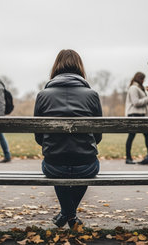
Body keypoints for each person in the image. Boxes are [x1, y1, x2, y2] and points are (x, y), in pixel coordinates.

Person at [34, 49, 102, 228]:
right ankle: (70, 216)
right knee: (88, 166)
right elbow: (98, 137)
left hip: (53, 165)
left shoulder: (42, 95)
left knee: (57, 166)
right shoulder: (92, 95)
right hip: (86, 166)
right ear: (80, 67)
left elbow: (38, 137)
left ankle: (67, 214)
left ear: (56, 67)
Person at [124, 72, 148, 164]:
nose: (144, 81)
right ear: (139, 79)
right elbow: (135, 102)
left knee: (147, 135)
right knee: (132, 135)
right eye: (143, 79)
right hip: (134, 114)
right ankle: (128, 158)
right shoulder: (133, 88)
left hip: (140, 115)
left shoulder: (139, 88)